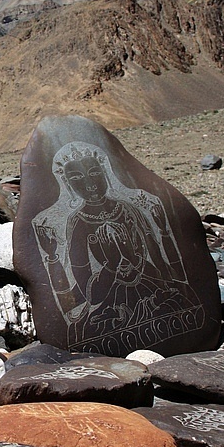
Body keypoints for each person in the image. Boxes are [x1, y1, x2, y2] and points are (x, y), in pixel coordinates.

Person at [32, 142, 203, 352]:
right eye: (77, 179)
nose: (90, 184)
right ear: (68, 185)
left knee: (178, 304)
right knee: (97, 329)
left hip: (149, 283)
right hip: (109, 296)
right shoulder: (77, 223)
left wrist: (161, 235)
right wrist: (109, 269)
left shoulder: (129, 209)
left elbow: (159, 261)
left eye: (94, 173)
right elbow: (88, 290)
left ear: (105, 174)